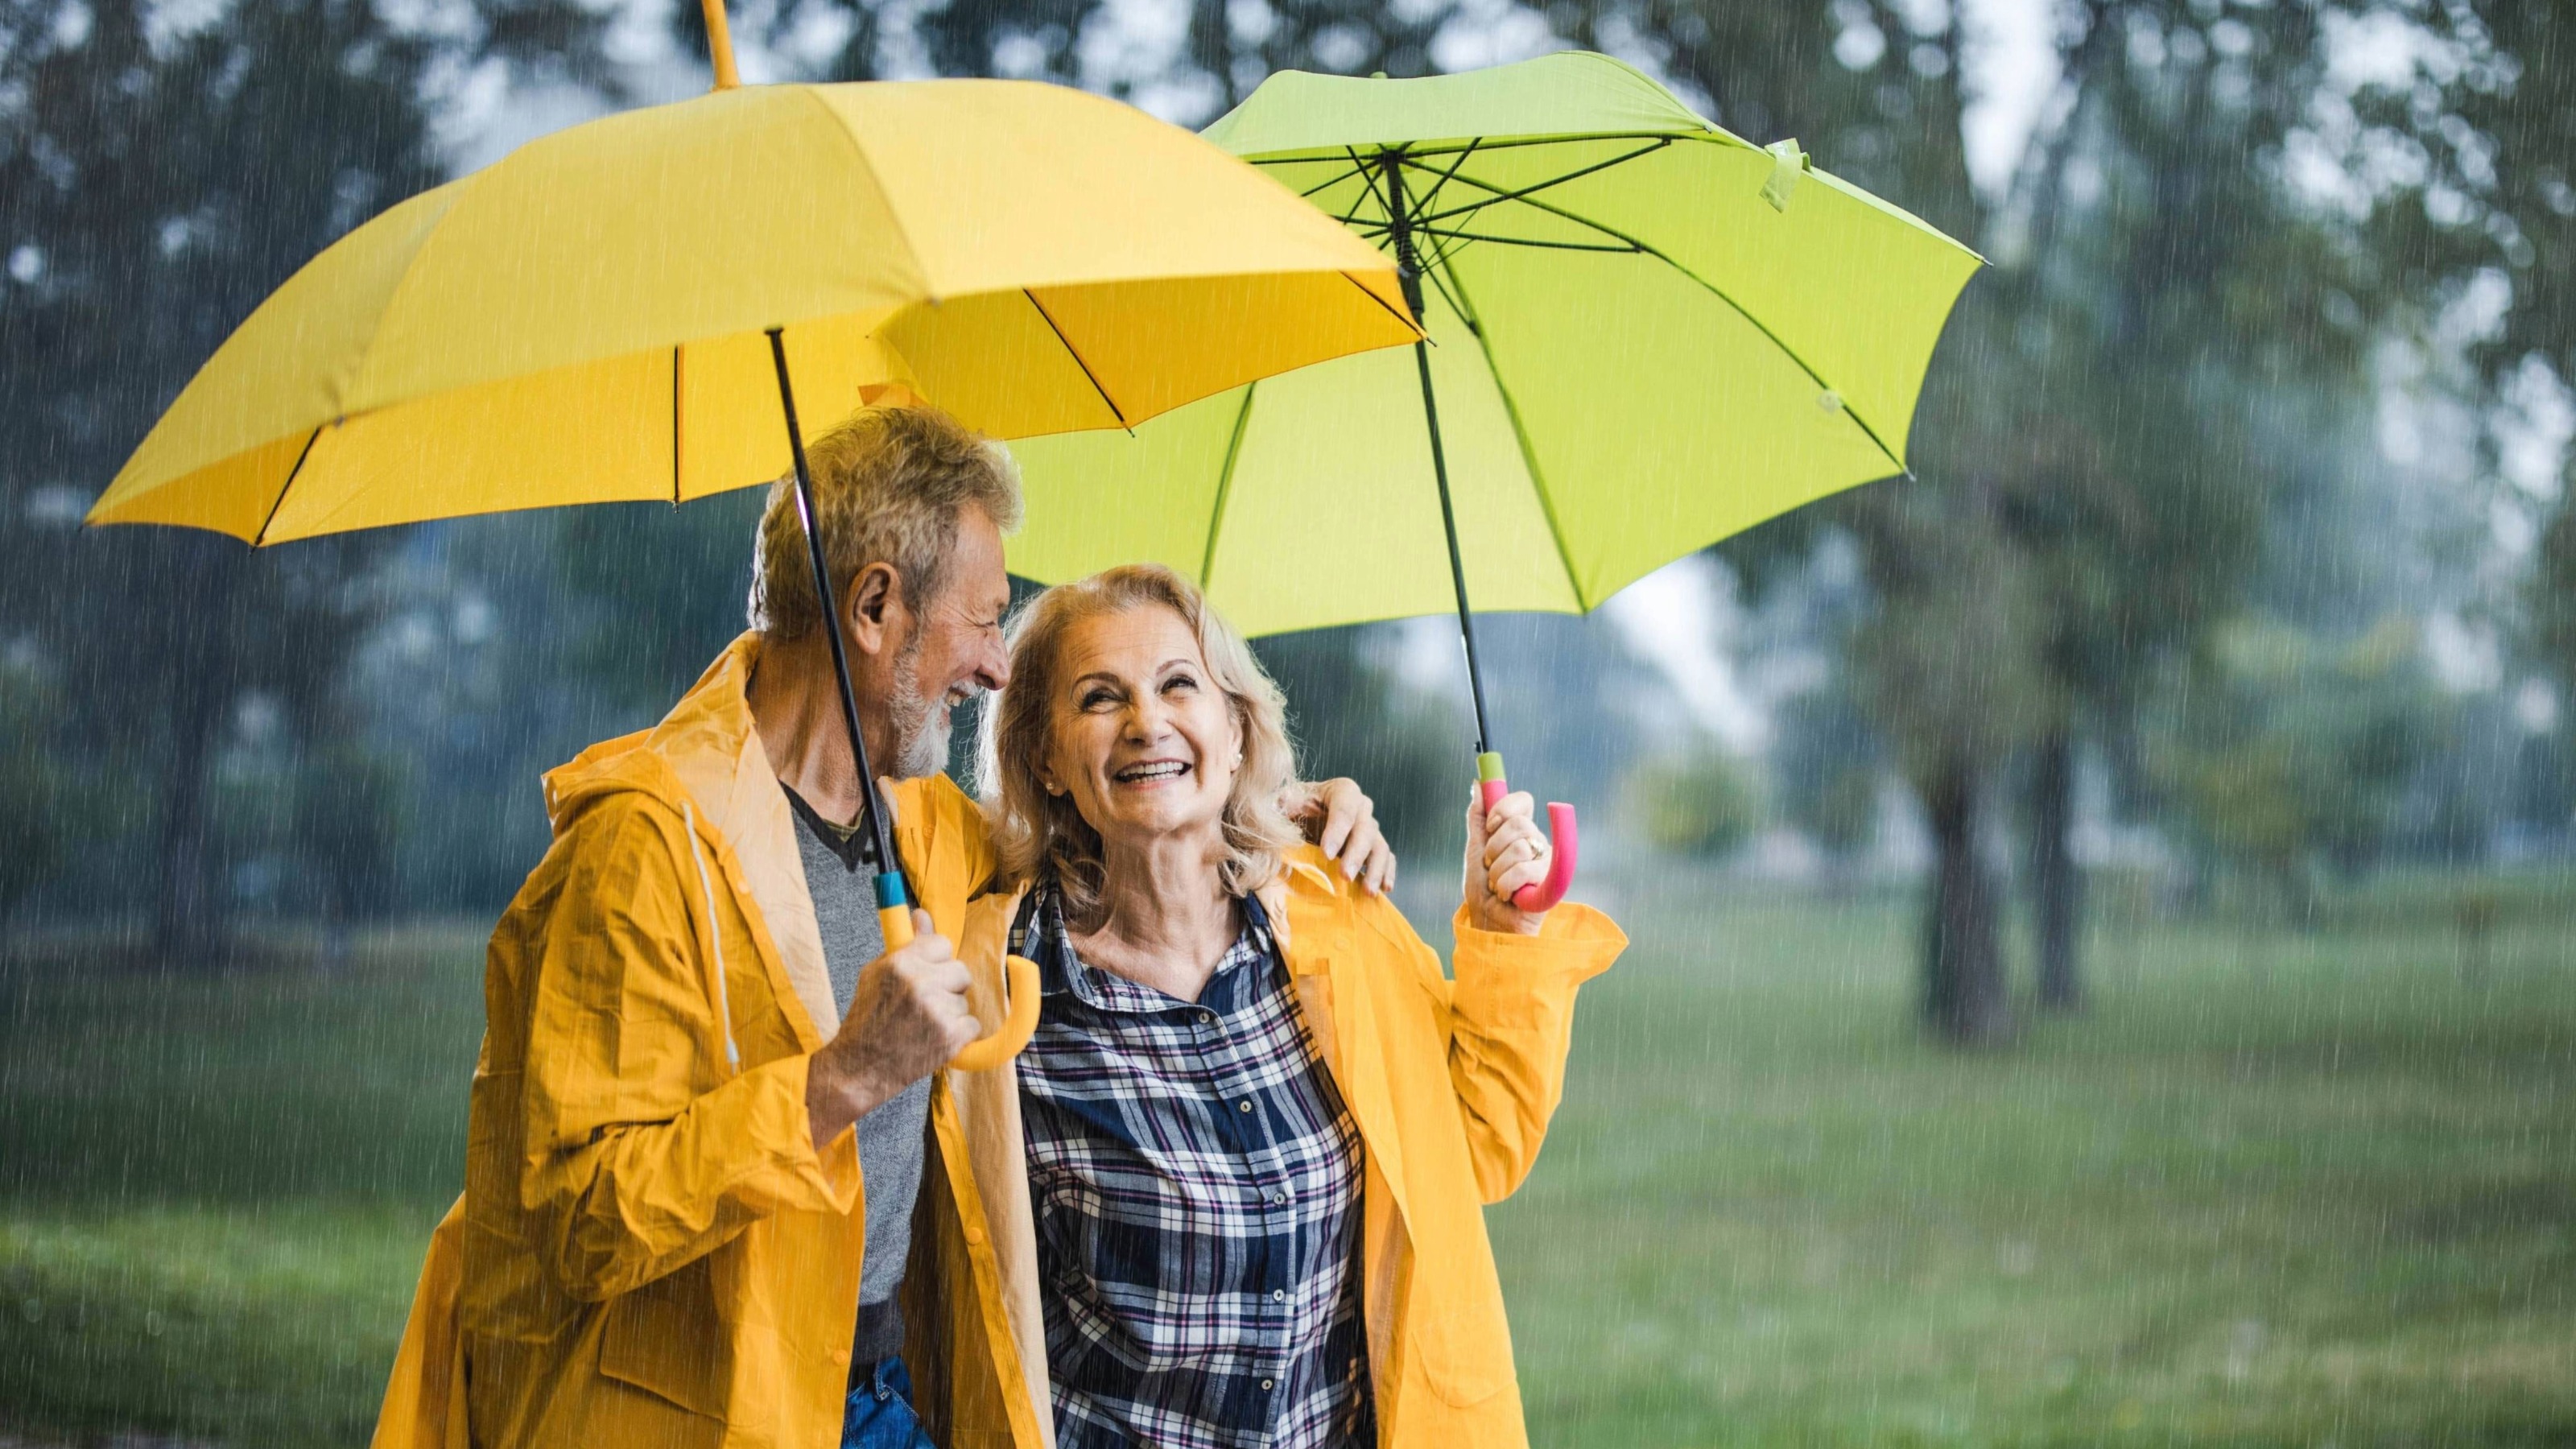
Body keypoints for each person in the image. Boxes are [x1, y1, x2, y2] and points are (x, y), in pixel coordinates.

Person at [370, 407, 1395, 1449]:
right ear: (874, 606)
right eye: (986, 619)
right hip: (710, 1413)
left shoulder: (923, 828)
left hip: (878, 1398)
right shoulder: (637, 856)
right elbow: (576, 1220)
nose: (999, 667)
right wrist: (842, 1079)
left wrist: (1275, 807)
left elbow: (1100, 829)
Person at [972, 564, 1628, 1449]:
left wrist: (1502, 929)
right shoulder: (1002, 996)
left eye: (1177, 685)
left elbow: (1474, 1144)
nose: (1146, 723)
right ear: (1045, 758)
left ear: (1235, 732)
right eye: (1099, 698)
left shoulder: (1332, 917)